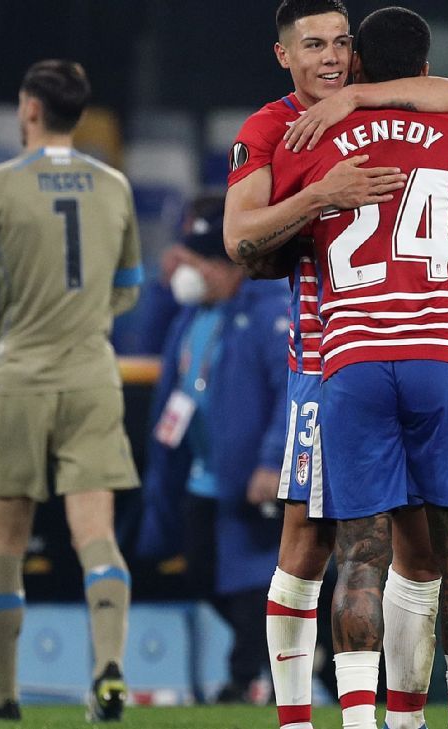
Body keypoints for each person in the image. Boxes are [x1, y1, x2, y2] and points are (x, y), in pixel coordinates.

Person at [222, 3, 448, 727]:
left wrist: (354, 98)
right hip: (320, 358)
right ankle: (296, 719)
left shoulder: (375, 106)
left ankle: (403, 716)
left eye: (341, 43)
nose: (331, 57)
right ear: (283, 55)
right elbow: (239, 240)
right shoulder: (267, 129)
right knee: (308, 543)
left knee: (415, 547)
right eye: (314, 45)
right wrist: (318, 197)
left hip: (393, 355)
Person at [0, 60, 141, 722]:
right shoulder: (114, 185)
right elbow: (130, 288)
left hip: (19, 379)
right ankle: (108, 668)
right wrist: (86, 325)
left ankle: (2, 696)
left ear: (29, 108)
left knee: (5, 541)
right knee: (96, 534)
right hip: (92, 378)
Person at [135, 198, 293, 704]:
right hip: (201, 474)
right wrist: (164, 289)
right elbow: (147, 342)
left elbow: (290, 390)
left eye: (205, 262)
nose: (195, 271)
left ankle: (247, 676)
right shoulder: (192, 315)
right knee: (204, 573)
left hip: (249, 477)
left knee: (251, 579)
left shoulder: (269, 311)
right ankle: (280, 658)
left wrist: (273, 460)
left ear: (233, 265)